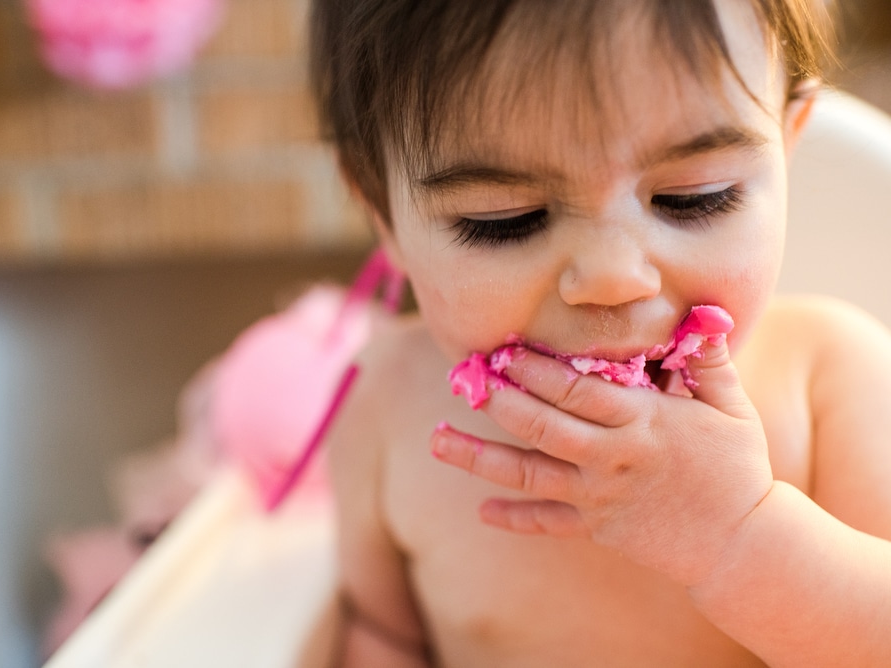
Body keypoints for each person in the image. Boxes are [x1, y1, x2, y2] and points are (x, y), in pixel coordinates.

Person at [311, 0, 891, 665]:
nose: (613, 279)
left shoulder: (828, 383)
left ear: (789, 147)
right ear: (381, 212)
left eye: (696, 197)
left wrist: (738, 535)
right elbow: (380, 633)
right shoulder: (386, 406)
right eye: (506, 220)